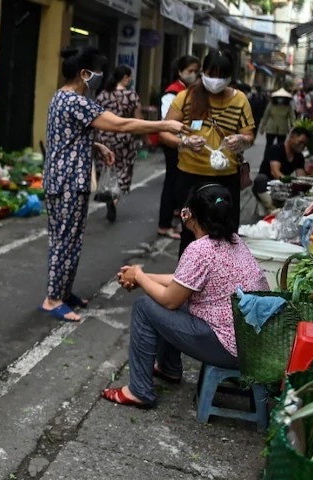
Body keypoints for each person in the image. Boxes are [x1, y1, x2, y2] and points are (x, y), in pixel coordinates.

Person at [39, 45, 186, 322]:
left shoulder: (61, 96)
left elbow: (66, 135)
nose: (101, 76)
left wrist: (94, 146)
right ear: (84, 73)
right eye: (97, 71)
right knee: (64, 241)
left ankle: (63, 291)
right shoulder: (77, 101)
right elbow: (120, 125)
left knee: (70, 240)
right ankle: (53, 299)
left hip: (62, 178)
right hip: (69, 180)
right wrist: (163, 126)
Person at [102, 184, 269, 409]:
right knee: (180, 300)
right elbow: (183, 282)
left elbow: (171, 298)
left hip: (229, 347)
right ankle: (168, 368)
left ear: (190, 214)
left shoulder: (200, 250)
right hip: (250, 343)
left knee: (145, 306)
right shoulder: (233, 241)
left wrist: (140, 276)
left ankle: (139, 391)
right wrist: (141, 276)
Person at [159, 50, 255, 258]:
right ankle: (187, 279)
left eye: (222, 76)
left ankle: (222, 280)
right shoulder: (185, 98)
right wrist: (183, 142)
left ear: (230, 77)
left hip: (226, 179)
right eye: (212, 74)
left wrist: (241, 140)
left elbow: (249, 135)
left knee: (226, 232)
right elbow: (164, 132)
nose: (216, 81)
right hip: (190, 177)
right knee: (190, 232)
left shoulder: (240, 100)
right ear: (203, 73)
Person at [158, 55, 200, 239]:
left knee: (180, 184)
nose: (193, 74)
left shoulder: (192, 91)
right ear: (180, 72)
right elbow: (167, 122)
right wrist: (184, 138)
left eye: (195, 71)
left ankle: (176, 216)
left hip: (188, 143)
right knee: (172, 183)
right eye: (189, 71)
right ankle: (164, 224)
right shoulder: (172, 93)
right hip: (174, 143)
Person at [95, 65, 143, 222]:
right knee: (124, 169)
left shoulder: (102, 95)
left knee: (107, 167)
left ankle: (106, 192)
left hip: (104, 138)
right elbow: (138, 120)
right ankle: (114, 199)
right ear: (126, 78)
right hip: (124, 139)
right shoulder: (132, 96)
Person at [252, 127, 310, 215]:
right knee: (261, 179)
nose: (302, 146)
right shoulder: (276, 149)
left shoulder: (299, 156)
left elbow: (301, 177)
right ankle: (271, 208)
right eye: (300, 142)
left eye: (305, 144)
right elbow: (275, 172)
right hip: (266, 186)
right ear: (292, 137)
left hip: (282, 189)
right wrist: (290, 181)